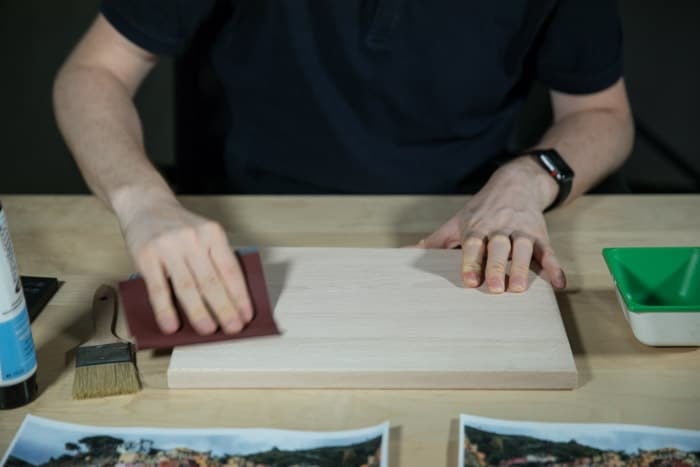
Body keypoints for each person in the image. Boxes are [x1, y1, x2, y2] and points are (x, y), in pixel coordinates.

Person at [53, 1, 634, 336]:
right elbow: (92, 74)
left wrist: (526, 180)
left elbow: (603, 113)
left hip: (468, 233)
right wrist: (143, 202)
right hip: (243, 229)